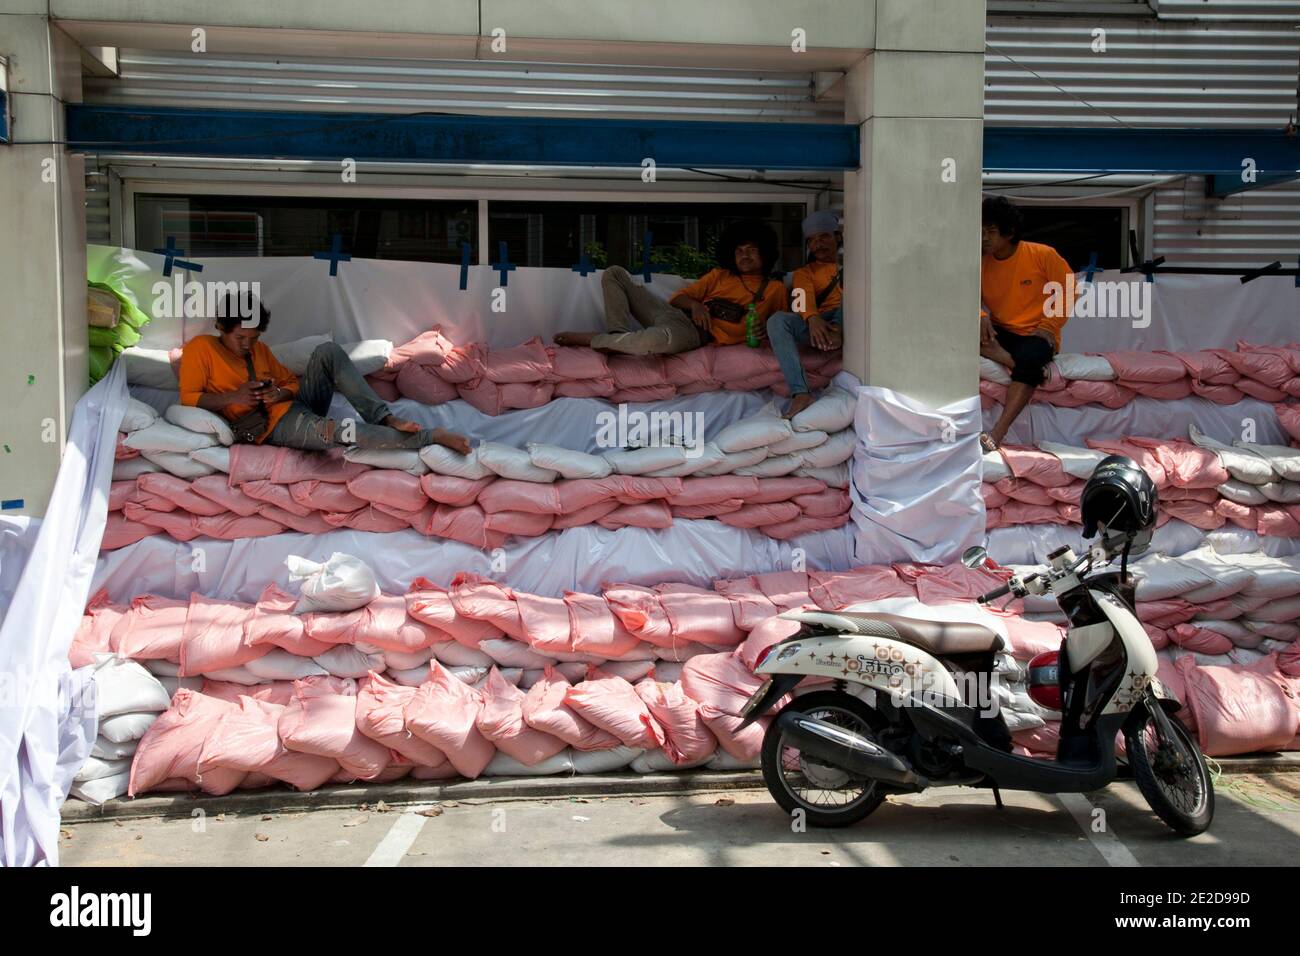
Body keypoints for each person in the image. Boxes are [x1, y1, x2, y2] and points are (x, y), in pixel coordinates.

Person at [178, 292, 471, 453]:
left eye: (253, 338)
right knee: (338, 431)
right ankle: (431, 437)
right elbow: (189, 398)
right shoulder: (200, 349)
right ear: (221, 328)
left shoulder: (260, 349)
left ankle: (384, 417)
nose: (247, 344)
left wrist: (276, 392)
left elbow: (291, 382)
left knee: (327, 351)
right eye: (240, 338)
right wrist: (236, 396)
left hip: (293, 406)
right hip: (270, 427)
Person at [553, 219, 788, 355]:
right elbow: (677, 299)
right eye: (739, 250)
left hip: (694, 335)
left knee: (650, 341)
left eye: (751, 250)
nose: (744, 256)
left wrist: (763, 331)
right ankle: (617, 337)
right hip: (674, 315)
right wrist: (695, 305)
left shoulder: (774, 289)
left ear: (765, 252)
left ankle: (596, 340)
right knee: (614, 273)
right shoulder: (720, 275)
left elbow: (782, 328)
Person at [979, 195, 1073, 451]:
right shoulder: (980, 262)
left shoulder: (1041, 254)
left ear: (1009, 233)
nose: (985, 237)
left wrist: (1049, 327)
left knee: (1031, 357)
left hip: (1037, 333)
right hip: (1002, 331)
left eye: (991, 231)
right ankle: (1017, 363)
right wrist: (981, 316)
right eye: (981, 231)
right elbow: (966, 293)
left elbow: (1068, 288)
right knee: (959, 336)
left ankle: (998, 432)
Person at [767, 210, 843, 418]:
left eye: (824, 236)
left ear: (837, 236)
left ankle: (837, 333)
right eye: (812, 240)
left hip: (849, 322)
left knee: (853, 297)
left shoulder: (856, 266)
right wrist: (812, 317)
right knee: (777, 320)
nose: (818, 244)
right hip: (817, 326)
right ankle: (801, 393)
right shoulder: (805, 273)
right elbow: (801, 298)